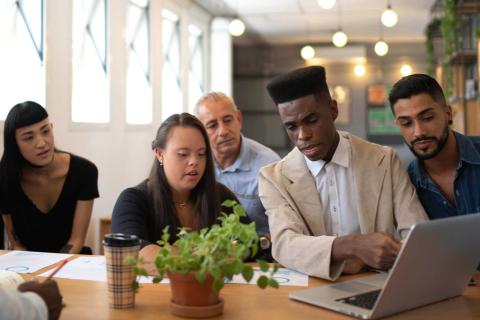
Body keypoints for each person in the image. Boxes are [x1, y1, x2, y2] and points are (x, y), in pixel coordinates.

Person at [260, 66, 428, 280]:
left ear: (333, 110)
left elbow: (417, 234)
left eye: (311, 120)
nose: (303, 135)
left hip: (377, 286)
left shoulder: (385, 160)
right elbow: (284, 245)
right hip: (311, 292)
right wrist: (353, 246)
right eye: (291, 127)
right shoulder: (273, 178)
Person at [111, 113, 251, 271]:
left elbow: (248, 242)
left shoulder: (220, 195)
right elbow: (130, 253)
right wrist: (208, 257)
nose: (194, 162)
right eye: (183, 154)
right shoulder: (133, 200)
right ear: (159, 153)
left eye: (201, 154)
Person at [0, 101, 99, 254]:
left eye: (45, 131)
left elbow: (76, 240)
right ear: (14, 144)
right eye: (28, 137)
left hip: (70, 263)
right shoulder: (5, 178)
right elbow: (17, 244)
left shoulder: (84, 172)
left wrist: (51, 271)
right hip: (27, 264)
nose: (41, 143)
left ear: (52, 128)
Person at [389, 74, 480, 219]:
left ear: (448, 114)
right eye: (406, 123)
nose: (419, 132)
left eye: (427, 118)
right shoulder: (406, 186)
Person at [195, 92, 280, 239]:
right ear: (200, 132)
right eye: (212, 125)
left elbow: (286, 227)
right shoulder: (196, 164)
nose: (223, 131)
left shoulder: (269, 165)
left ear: (239, 119)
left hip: (259, 255)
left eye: (227, 120)